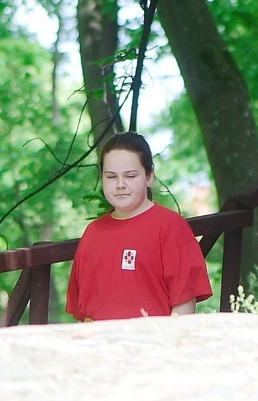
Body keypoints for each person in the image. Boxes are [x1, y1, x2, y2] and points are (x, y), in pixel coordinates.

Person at [66, 132, 213, 321]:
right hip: (99, 345)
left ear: (149, 176)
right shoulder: (93, 233)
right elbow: (83, 312)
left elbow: (183, 306)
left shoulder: (170, 227)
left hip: (151, 345)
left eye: (130, 176)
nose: (120, 185)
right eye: (111, 177)